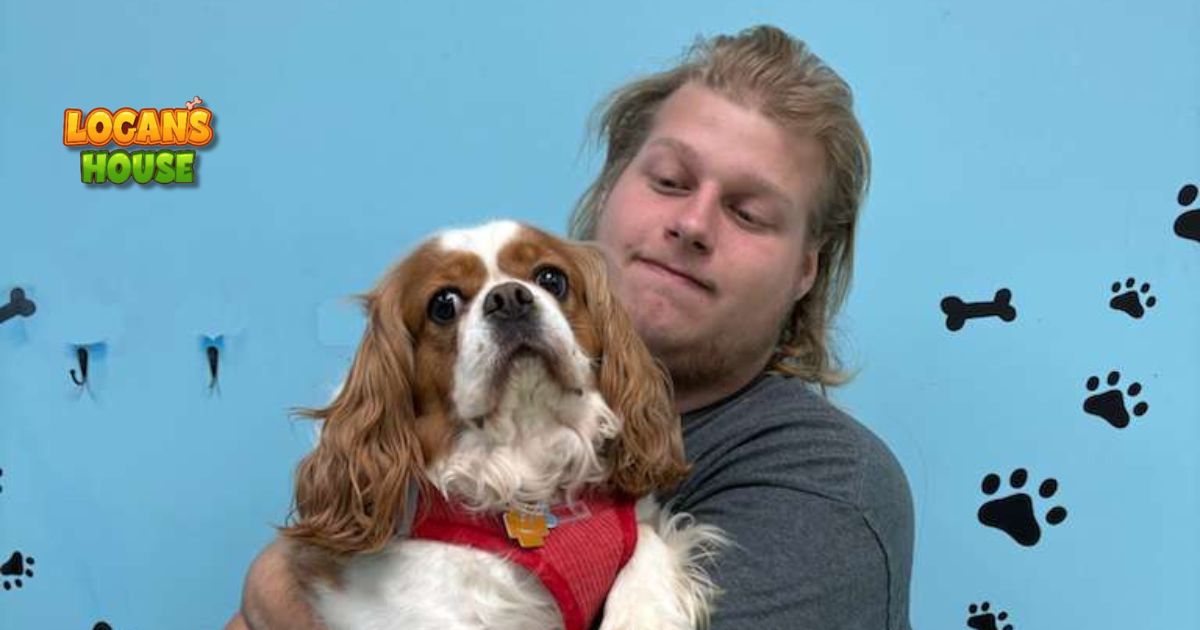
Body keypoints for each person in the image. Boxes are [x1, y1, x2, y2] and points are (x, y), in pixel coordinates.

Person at [225, 24, 914, 630]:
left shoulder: (823, 488)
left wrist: (277, 591)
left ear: (805, 273)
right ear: (609, 189)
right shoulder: (428, 435)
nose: (693, 225)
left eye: (749, 213)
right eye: (671, 181)